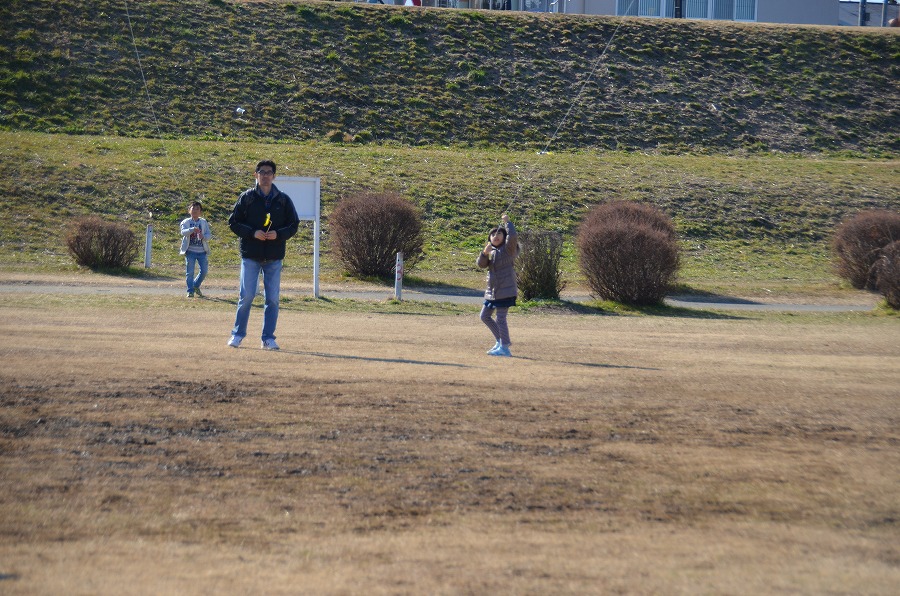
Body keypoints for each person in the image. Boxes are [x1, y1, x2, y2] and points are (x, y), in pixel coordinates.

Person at [227, 160, 300, 350]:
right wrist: (252, 232)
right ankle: (237, 335)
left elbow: (293, 224)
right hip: (251, 255)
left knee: (273, 299)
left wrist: (279, 234)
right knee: (247, 296)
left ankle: (268, 338)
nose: (265, 175)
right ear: (256, 175)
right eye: (262, 172)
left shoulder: (283, 199)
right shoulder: (247, 198)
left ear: (274, 176)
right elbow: (233, 222)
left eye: (269, 172)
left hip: (274, 257)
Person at [476, 213, 519, 357]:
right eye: (493, 234)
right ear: (489, 239)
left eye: (500, 233)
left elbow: (512, 238)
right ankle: (500, 341)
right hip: (492, 291)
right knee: (484, 316)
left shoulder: (508, 250)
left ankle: (505, 347)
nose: (496, 235)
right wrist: (484, 254)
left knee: (500, 318)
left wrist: (507, 222)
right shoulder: (491, 251)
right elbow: (481, 265)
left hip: (505, 290)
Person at [179, 201, 211, 298]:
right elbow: (183, 232)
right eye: (193, 208)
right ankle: (190, 291)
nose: (195, 211)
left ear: (200, 211)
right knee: (190, 272)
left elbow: (209, 235)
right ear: (189, 210)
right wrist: (192, 229)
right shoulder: (186, 222)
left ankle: (196, 285)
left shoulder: (203, 222)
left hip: (202, 252)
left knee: (204, 271)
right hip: (190, 252)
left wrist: (203, 237)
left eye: (197, 209)